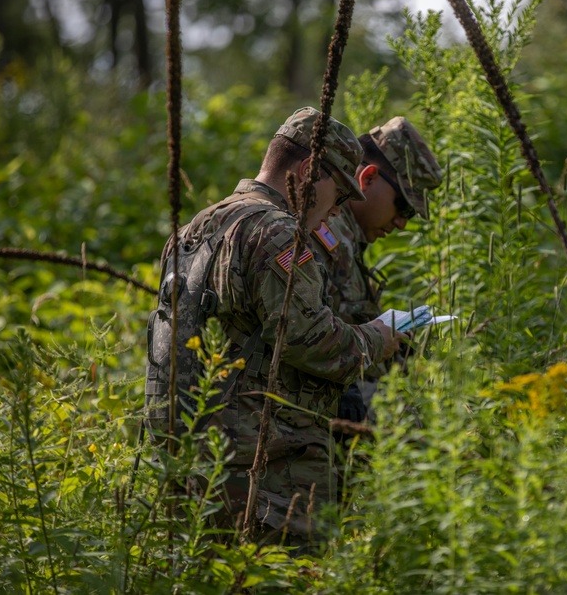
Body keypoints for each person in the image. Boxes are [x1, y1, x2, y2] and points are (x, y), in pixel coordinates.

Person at [144, 106, 405, 548]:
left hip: (192, 459)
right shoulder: (277, 232)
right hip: (266, 473)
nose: (334, 213)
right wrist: (380, 337)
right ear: (306, 172)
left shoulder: (195, 227)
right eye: (337, 196)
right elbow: (314, 343)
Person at [308, 116, 443, 422]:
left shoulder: (345, 239)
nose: (402, 223)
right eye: (403, 207)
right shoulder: (324, 231)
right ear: (367, 178)